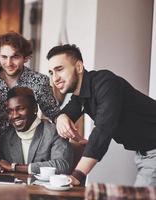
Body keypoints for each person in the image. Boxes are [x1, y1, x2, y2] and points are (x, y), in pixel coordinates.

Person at [47, 44, 156, 186]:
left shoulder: (106, 83)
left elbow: (103, 131)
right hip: (144, 152)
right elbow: (66, 116)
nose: (55, 79)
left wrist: (77, 175)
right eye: (51, 73)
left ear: (79, 67)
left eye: (59, 70)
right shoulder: (80, 96)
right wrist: (59, 117)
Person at [0, 31, 62, 135]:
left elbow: (53, 113)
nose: (9, 63)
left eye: (15, 57)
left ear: (25, 58)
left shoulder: (40, 81)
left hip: (24, 144)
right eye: (4, 57)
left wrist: (64, 124)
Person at [0, 87, 73, 174]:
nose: (15, 115)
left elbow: (62, 166)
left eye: (21, 109)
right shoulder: (6, 137)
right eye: (10, 111)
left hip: (44, 188)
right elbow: (2, 164)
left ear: (35, 108)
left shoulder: (54, 132)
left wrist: (15, 167)